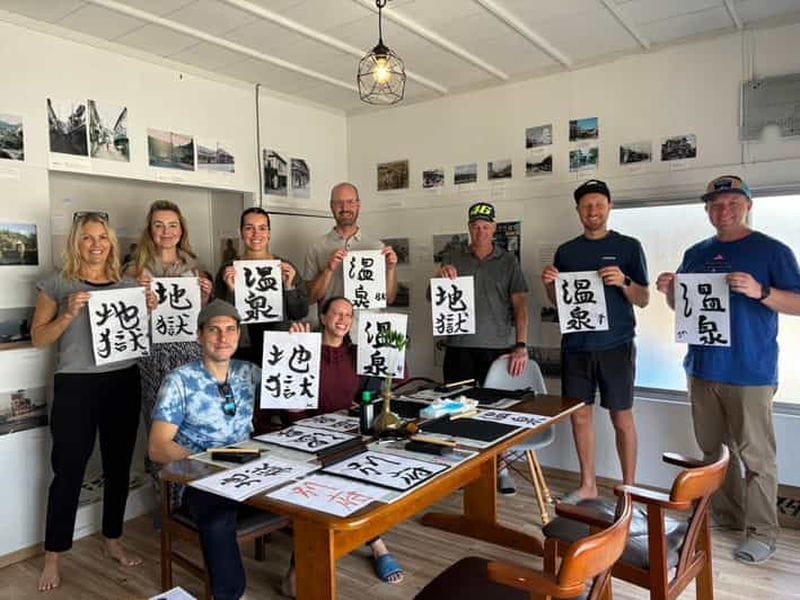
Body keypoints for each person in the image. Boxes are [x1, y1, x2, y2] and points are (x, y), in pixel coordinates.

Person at [655, 175, 800, 565]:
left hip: (751, 371)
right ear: (707, 211)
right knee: (714, 452)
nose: (724, 210)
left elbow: (799, 303)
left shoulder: (773, 251)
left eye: (733, 203)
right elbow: (682, 310)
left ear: (748, 205)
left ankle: (763, 532)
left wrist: (762, 292)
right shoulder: (697, 252)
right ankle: (727, 515)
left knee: (757, 458)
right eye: (716, 205)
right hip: (702, 369)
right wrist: (671, 291)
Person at [32, 213, 145, 591]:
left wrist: (153, 308)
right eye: (87, 238)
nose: (96, 244)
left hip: (122, 381)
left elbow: (142, 333)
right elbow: (39, 338)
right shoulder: (58, 283)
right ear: (75, 243)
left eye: (102, 237)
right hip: (76, 385)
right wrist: (67, 314)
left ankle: (112, 537)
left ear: (111, 243)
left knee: (118, 464)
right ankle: (54, 554)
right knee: (68, 469)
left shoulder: (128, 284)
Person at [276, 297, 404, 594]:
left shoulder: (360, 353)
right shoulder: (303, 345)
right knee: (322, 485)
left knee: (368, 472)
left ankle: (375, 542)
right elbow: (289, 398)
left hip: (348, 433)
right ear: (323, 317)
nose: (343, 319)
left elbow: (390, 384)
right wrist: (290, 345)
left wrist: (393, 350)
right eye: (337, 313)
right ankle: (370, 547)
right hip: (307, 435)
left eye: (349, 314)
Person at [541, 179, 649, 504]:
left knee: (621, 417)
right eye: (587, 205)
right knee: (580, 415)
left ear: (609, 207)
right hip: (576, 346)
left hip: (616, 344)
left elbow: (643, 298)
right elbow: (559, 302)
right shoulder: (566, 251)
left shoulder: (629, 246)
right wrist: (550, 284)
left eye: (599, 204)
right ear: (578, 210)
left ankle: (628, 488)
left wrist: (624, 281)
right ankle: (587, 484)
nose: (593, 211)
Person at [149, 300, 261, 600]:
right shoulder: (180, 381)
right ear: (199, 335)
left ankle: (295, 576)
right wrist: (211, 462)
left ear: (239, 335)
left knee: (307, 502)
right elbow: (157, 448)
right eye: (213, 330)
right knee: (219, 519)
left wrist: (297, 342)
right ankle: (230, 595)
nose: (223, 338)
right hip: (200, 479)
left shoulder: (250, 372)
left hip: (252, 470)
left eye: (229, 330)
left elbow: (295, 390)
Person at [125, 200, 213, 523]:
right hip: (152, 358)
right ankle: (165, 505)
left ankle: (191, 500)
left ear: (181, 230)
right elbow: (124, 319)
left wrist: (204, 296)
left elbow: (200, 319)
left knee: (190, 426)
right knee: (159, 427)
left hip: (188, 355)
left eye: (172, 225)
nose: (166, 232)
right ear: (150, 230)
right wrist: (136, 297)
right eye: (159, 225)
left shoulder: (193, 266)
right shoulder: (135, 268)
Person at [435, 202, 529, 386]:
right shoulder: (452, 258)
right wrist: (439, 276)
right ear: (469, 228)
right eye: (476, 227)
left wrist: (521, 345)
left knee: (497, 405)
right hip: (458, 345)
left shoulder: (509, 261)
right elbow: (432, 298)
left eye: (486, 227)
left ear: (494, 228)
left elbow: (520, 306)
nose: (481, 232)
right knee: (458, 405)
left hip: (498, 347)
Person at [214, 207, 309, 365]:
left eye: (262, 228)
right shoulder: (228, 269)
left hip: (279, 345)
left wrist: (289, 287)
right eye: (249, 228)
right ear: (241, 232)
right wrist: (231, 291)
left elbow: (300, 313)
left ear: (269, 233)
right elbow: (218, 317)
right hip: (240, 348)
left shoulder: (285, 267)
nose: (256, 234)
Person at [303, 182, 398, 307]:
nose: (344, 208)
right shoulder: (316, 247)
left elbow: (389, 299)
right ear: (331, 206)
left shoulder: (376, 247)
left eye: (350, 202)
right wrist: (328, 270)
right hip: (332, 324)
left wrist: (391, 269)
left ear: (358, 205)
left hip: (367, 324)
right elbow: (310, 298)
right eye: (339, 203)